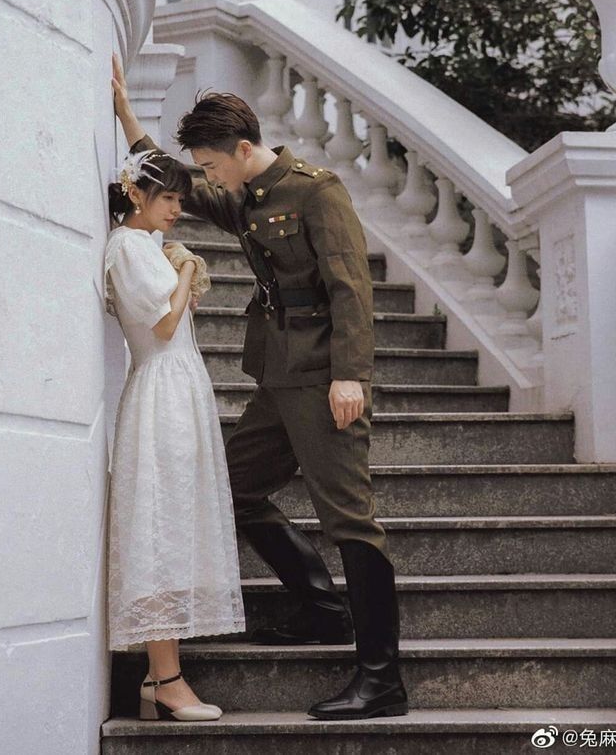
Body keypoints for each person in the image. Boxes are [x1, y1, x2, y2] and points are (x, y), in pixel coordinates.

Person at [112, 55, 407, 721]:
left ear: (244, 149)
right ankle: (323, 609)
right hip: (277, 377)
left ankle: (382, 678)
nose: (207, 179)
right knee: (233, 489)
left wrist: (350, 375)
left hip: (324, 378)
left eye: (214, 165)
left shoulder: (316, 191)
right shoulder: (245, 193)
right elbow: (176, 178)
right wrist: (128, 116)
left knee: (349, 517)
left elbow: (350, 288)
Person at [105, 147, 245, 722]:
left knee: (177, 525)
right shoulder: (125, 246)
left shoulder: (145, 246)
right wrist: (187, 268)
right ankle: (167, 679)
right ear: (136, 194)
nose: (177, 209)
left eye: (180, 200)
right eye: (168, 197)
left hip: (179, 390)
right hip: (160, 391)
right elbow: (162, 327)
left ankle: (156, 676)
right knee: (160, 528)